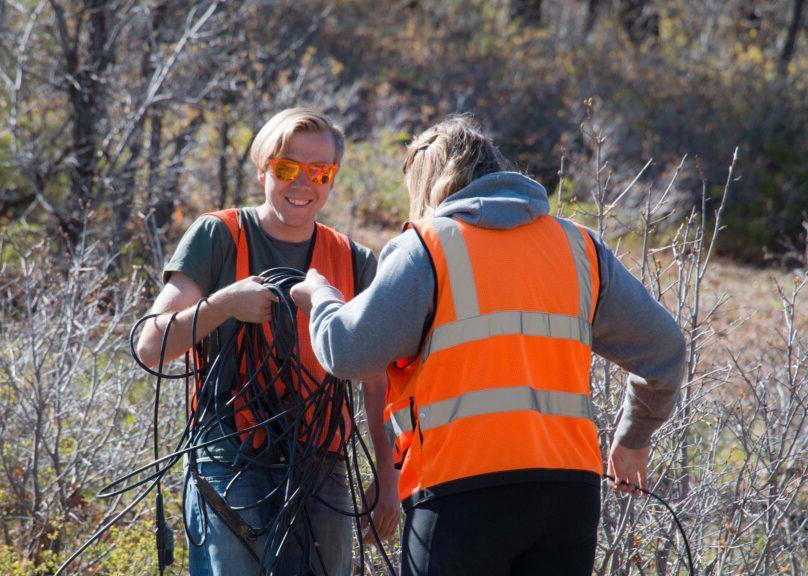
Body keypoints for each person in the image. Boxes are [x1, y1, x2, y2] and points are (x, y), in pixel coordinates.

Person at [290, 114, 685, 576]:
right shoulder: (579, 247)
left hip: (460, 493)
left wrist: (320, 297)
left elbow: (348, 353)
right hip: (567, 498)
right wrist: (634, 439)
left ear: (428, 185)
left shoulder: (426, 246)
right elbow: (665, 352)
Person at [134, 107, 400, 576]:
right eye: (287, 168)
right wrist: (222, 306)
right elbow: (150, 346)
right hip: (227, 457)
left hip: (322, 466)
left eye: (320, 172)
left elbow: (378, 382)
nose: (303, 184)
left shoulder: (353, 260)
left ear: (333, 179)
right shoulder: (218, 236)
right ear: (263, 170)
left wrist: (387, 475)